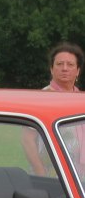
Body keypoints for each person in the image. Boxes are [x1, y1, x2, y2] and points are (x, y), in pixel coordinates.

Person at [22, 42, 84, 174]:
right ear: (51, 69)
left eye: (70, 64)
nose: (65, 68)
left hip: (78, 174)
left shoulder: (81, 99)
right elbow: (27, 139)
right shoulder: (42, 98)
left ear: (78, 71)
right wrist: (40, 171)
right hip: (51, 173)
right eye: (59, 64)